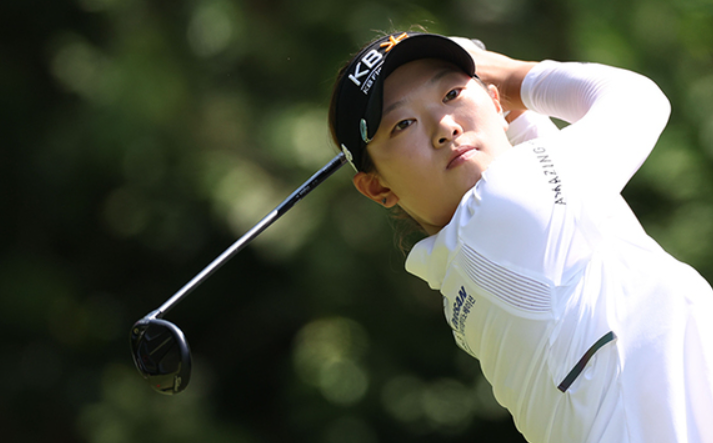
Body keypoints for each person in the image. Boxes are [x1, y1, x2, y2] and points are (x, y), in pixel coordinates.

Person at [327, 31, 713, 442]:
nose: (445, 127)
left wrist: (507, 105)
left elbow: (536, 164)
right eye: (403, 124)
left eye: (452, 94)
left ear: (494, 103)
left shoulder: (471, 264)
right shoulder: (508, 207)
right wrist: (512, 76)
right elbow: (639, 100)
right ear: (377, 187)